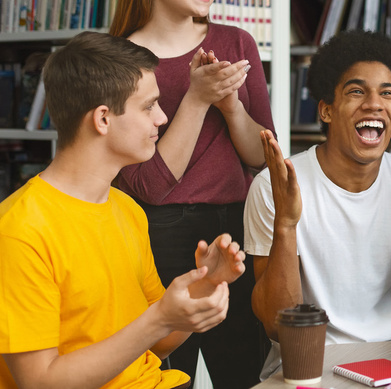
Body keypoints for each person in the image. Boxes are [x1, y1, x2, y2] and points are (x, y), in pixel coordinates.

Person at [0, 31, 247, 389]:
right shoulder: (20, 231)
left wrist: (201, 290)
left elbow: (156, 345)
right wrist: (160, 319)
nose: (161, 118)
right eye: (148, 106)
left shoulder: (127, 210)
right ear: (103, 119)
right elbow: (39, 383)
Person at [243, 30, 391, 375]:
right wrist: (285, 225)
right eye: (357, 91)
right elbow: (277, 325)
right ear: (326, 110)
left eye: (387, 94)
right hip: (309, 363)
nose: (374, 103)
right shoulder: (274, 187)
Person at [109, 0, 274, 385]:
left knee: (245, 373)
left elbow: (262, 157)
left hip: (236, 230)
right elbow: (149, 186)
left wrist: (231, 108)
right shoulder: (120, 57)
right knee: (165, 373)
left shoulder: (238, 43)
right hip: (158, 233)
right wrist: (197, 99)